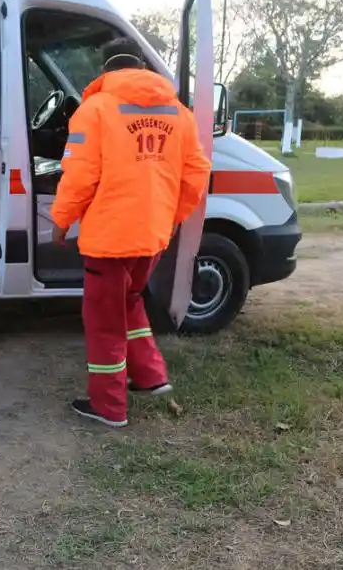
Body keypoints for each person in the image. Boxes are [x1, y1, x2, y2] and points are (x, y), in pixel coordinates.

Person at [50, 37, 211, 428]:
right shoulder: (179, 113)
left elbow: (80, 176)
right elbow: (196, 174)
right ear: (142, 66)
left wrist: (61, 220)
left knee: (105, 318)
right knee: (130, 301)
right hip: (152, 235)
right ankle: (150, 375)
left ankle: (108, 407)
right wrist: (171, 216)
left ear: (106, 69)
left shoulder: (96, 110)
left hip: (109, 239)